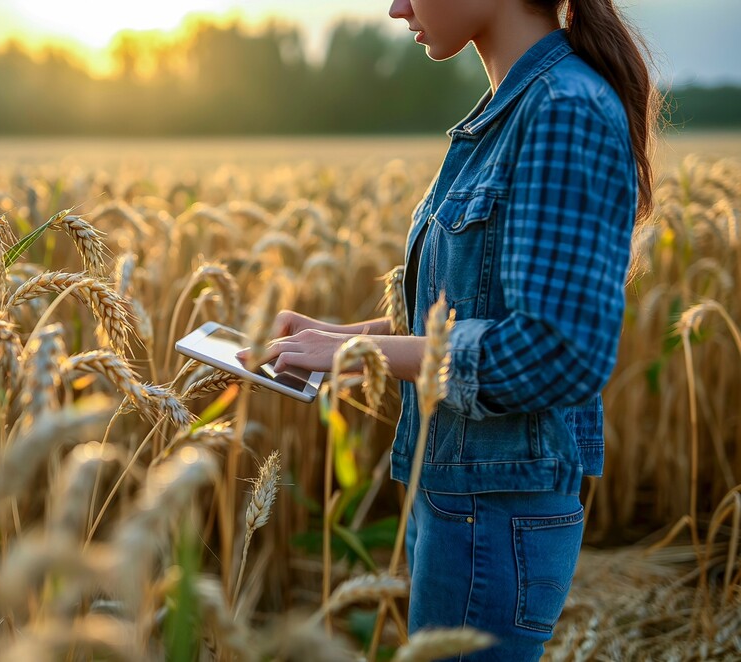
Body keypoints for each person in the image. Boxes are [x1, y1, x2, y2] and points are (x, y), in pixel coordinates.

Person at [239, 0, 657, 659]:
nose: (396, 5)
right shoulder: (511, 111)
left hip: (497, 513)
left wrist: (360, 349)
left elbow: (556, 353)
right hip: (464, 500)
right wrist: (336, 342)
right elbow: (466, 313)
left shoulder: (562, 109)